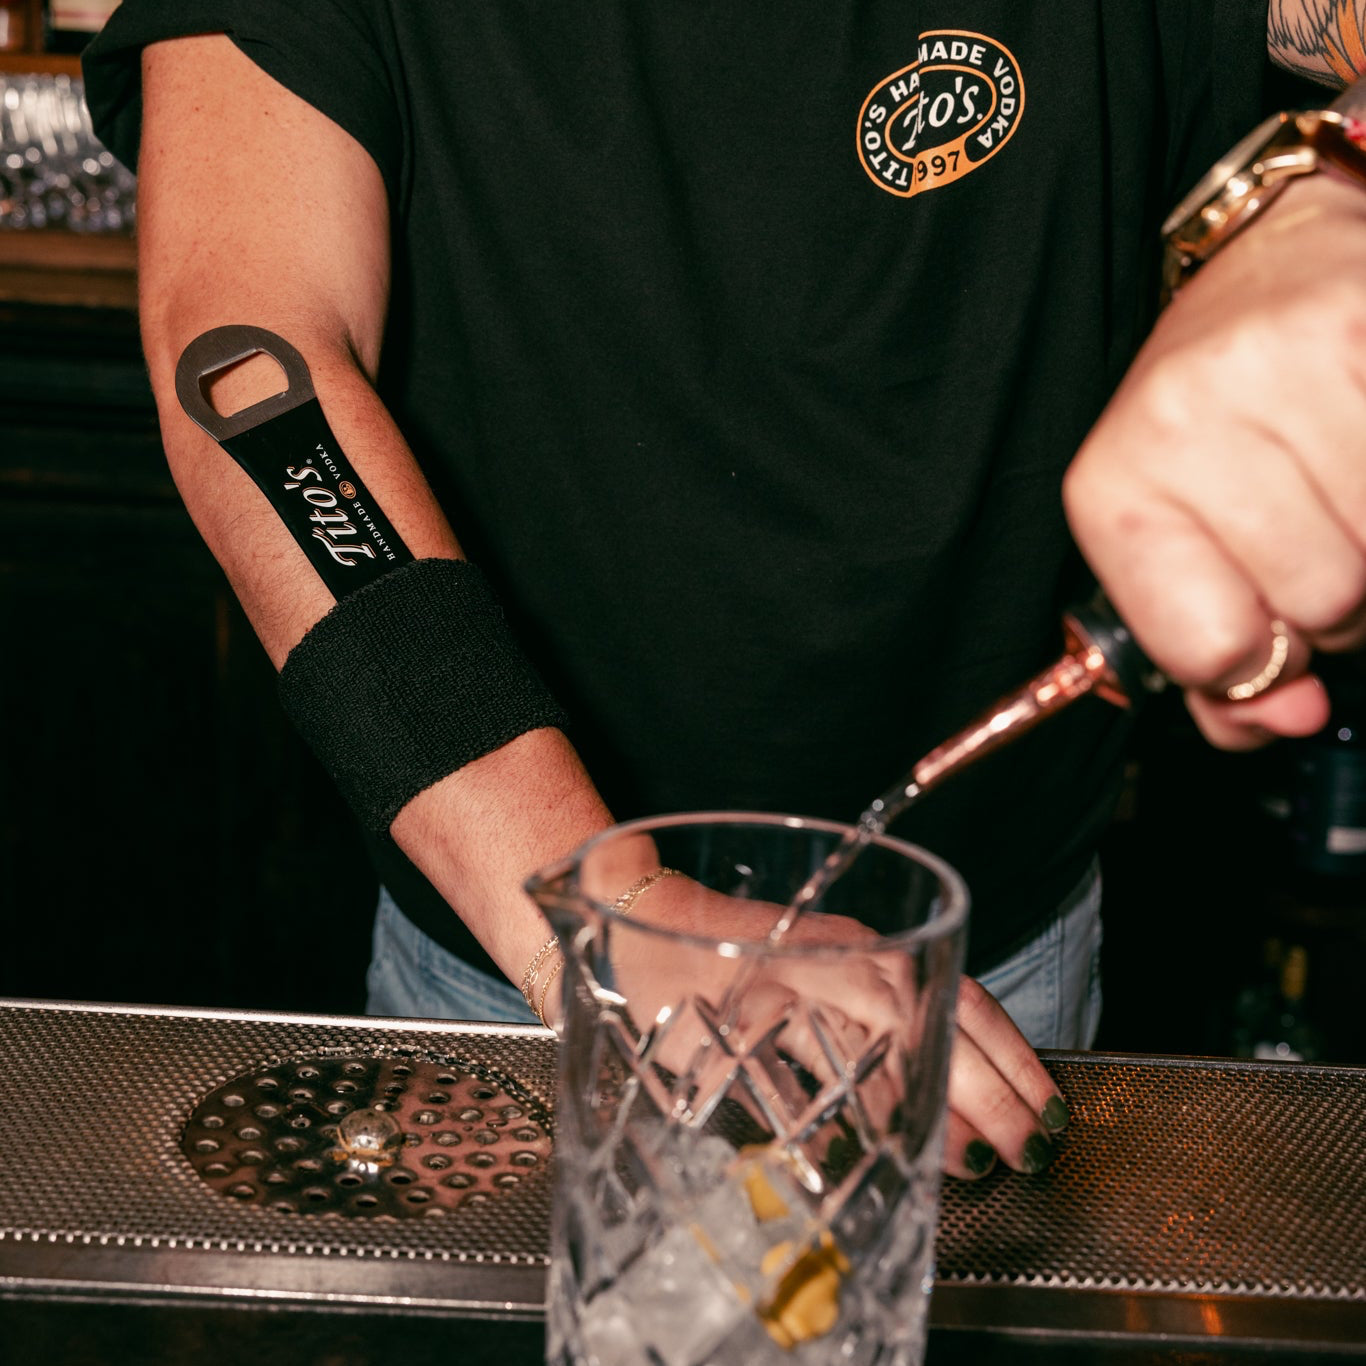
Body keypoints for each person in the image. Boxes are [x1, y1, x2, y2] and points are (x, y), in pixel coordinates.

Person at [82, 3, 1366, 1182]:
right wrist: (596, 920)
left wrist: (1335, 198)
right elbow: (249, 363)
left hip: (980, 967)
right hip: (517, 952)